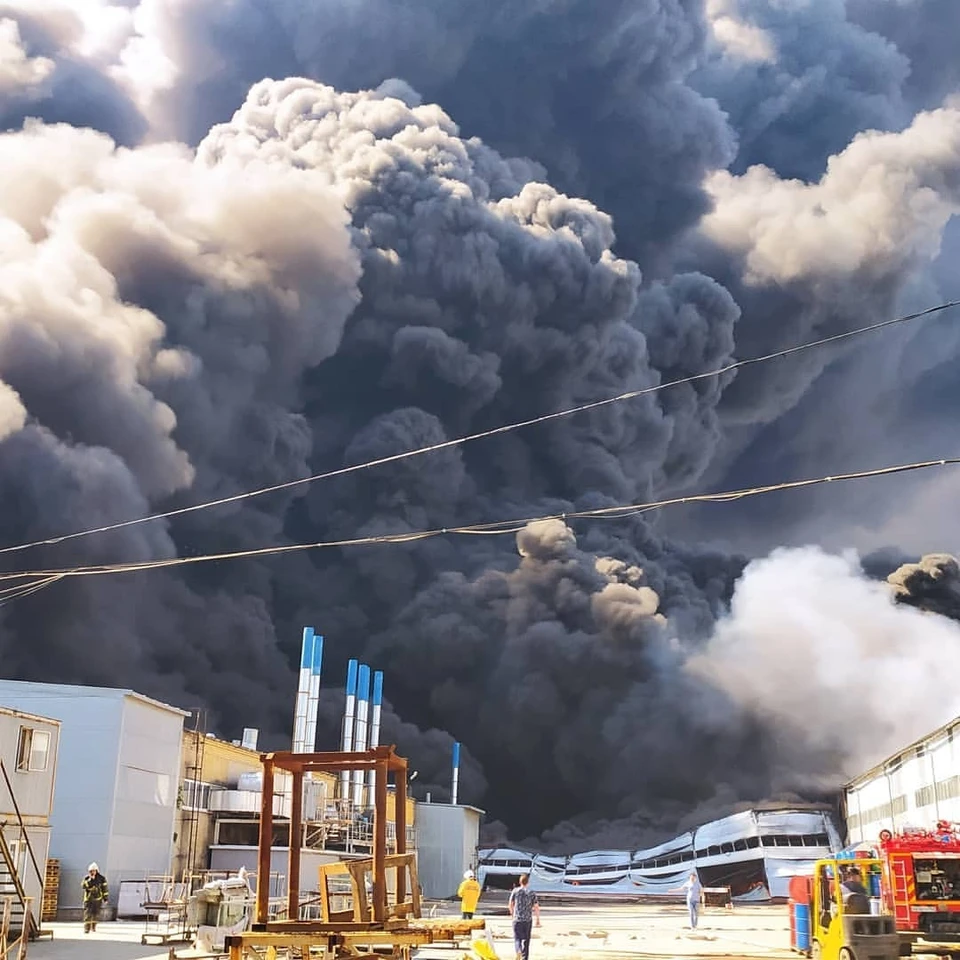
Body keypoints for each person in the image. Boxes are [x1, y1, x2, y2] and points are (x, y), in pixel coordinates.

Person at [508, 873, 540, 960]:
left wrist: (512, 914)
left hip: (517, 918)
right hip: (528, 919)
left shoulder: (515, 891)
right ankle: (524, 957)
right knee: (526, 940)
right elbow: (536, 906)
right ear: (528, 882)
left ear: (520, 882)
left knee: (517, 938)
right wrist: (537, 919)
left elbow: (510, 904)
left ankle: (518, 950)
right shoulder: (532, 893)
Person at [81, 862, 108, 933]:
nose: (92, 872)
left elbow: (105, 889)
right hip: (88, 899)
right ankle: (87, 928)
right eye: (91, 871)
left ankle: (93, 927)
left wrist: (105, 898)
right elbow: (83, 886)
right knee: (88, 914)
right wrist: (90, 880)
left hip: (97, 899)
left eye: (93, 871)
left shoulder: (102, 879)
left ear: (96, 870)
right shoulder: (86, 878)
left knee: (95, 914)